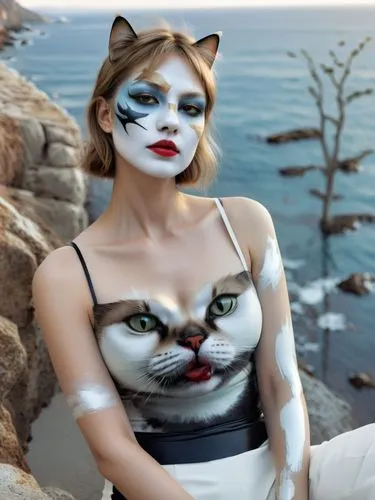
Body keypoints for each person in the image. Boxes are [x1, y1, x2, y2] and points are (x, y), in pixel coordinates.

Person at [32, 15, 375, 500]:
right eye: (148, 99)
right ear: (106, 115)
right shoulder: (66, 273)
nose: (172, 119)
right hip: (163, 487)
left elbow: (281, 382)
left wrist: (292, 490)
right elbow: (112, 451)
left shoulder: (246, 223)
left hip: (278, 472)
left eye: (191, 107)